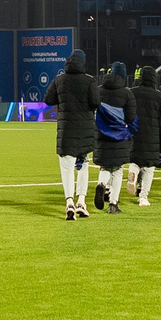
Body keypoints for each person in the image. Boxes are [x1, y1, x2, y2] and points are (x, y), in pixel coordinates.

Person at [50, 52, 100, 221]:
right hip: (85, 130)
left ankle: (69, 202)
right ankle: (81, 202)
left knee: (67, 167)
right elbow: (95, 102)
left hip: (66, 130)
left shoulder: (59, 79)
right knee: (83, 166)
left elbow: (48, 99)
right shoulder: (89, 80)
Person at [94, 62, 135, 213]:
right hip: (119, 135)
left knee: (105, 166)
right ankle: (113, 204)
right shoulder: (127, 93)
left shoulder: (98, 91)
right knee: (117, 170)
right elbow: (131, 117)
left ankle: (101, 184)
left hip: (101, 134)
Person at [128, 65, 161, 207]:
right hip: (151, 134)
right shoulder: (159, 95)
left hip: (134, 132)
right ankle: (143, 197)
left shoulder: (131, 92)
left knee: (135, 159)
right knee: (149, 166)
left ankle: (132, 174)